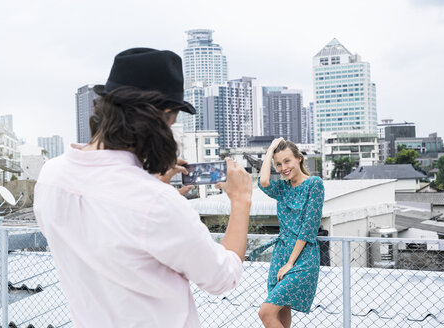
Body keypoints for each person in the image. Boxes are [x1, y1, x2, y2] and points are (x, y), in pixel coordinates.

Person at [33, 48, 252, 328]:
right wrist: (242, 200)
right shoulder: (155, 203)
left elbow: (107, 233)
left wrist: (153, 187)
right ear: (162, 116)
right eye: (172, 122)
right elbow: (222, 278)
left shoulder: (51, 176)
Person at [251, 138, 325, 328]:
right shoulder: (282, 188)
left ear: (299, 159)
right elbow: (264, 181)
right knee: (280, 315)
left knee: (265, 312)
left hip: (303, 257)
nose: (283, 167)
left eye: (287, 161)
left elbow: (308, 228)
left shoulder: (314, 184)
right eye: (278, 164)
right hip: (280, 255)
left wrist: (290, 263)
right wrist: (270, 150)